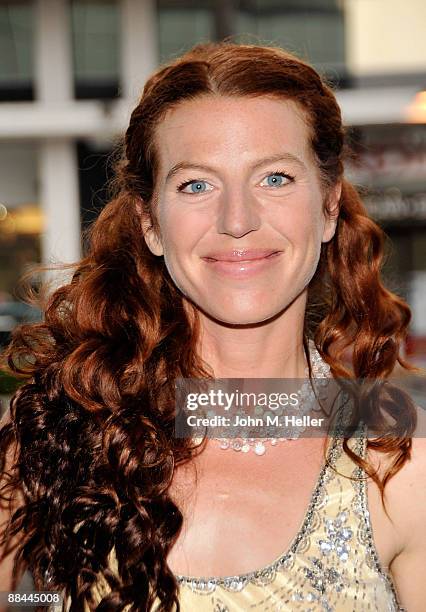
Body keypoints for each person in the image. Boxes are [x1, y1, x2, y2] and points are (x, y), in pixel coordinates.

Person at [1, 41, 425, 612]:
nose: (237, 221)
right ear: (150, 223)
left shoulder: (400, 463)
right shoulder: (53, 436)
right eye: (196, 185)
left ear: (328, 206)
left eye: (274, 178)